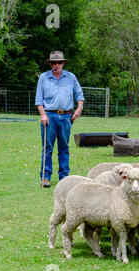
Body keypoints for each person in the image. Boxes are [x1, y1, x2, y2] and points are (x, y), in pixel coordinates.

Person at [35, 51, 85, 188]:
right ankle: (45, 177)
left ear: (63, 63)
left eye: (59, 62)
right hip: (49, 116)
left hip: (66, 116)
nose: (56, 65)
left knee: (64, 147)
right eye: (53, 63)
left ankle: (64, 178)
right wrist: (43, 114)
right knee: (48, 148)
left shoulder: (71, 77)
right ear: (50, 64)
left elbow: (80, 95)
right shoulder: (44, 78)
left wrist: (79, 109)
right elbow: (38, 100)